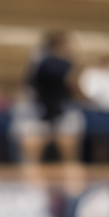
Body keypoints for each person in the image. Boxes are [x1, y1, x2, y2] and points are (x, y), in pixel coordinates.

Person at [28, 30, 79, 162]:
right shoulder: (47, 62)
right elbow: (71, 83)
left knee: (68, 152)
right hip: (44, 108)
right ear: (60, 45)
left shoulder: (44, 61)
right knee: (38, 151)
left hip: (60, 107)